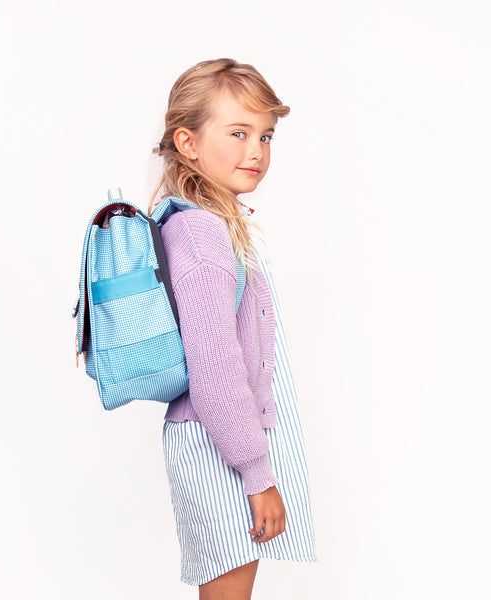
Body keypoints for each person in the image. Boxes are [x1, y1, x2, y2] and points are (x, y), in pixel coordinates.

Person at [150, 58, 317, 599]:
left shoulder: (209, 225)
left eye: (265, 136)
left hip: (217, 440)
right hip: (216, 444)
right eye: (239, 133)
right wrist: (258, 475)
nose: (257, 151)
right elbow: (216, 369)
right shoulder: (200, 233)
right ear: (188, 143)